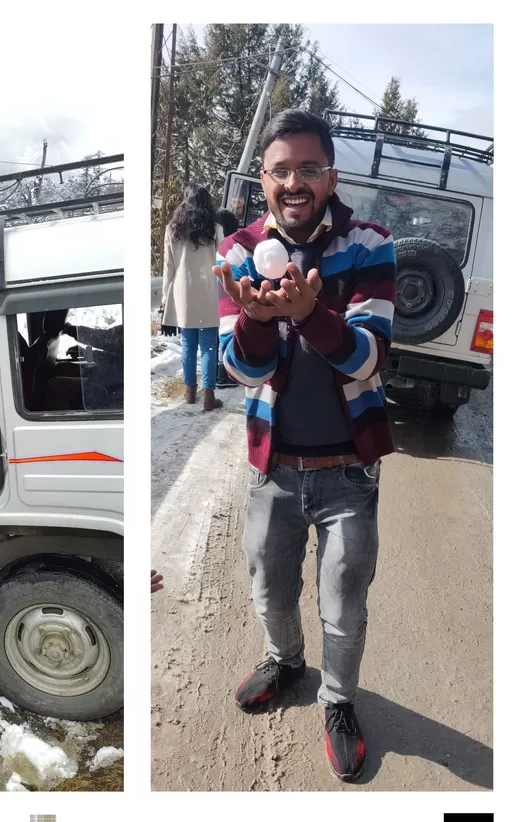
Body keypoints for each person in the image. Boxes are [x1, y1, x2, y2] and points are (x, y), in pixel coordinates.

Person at [217, 109, 395, 782]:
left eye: (308, 169)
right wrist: (262, 322)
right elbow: (244, 370)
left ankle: (340, 702)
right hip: (273, 467)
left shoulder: (369, 243)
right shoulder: (237, 251)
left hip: (349, 468)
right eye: (281, 170)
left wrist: (306, 315)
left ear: (330, 175)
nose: (295, 182)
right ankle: (286, 659)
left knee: (345, 601)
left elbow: (368, 358)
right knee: (269, 586)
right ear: (263, 180)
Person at [162, 184, 225, 411]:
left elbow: (168, 266)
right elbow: (222, 261)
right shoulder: (215, 228)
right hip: (210, 289)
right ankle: (209, 395)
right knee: (209, 345)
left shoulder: (173, 228)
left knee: (188, 344)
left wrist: (164, 296)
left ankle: (190, 392)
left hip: (182, 290)